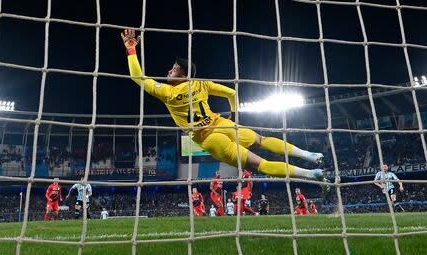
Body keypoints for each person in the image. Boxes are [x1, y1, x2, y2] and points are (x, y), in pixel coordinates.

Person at [120, 29, 325, 182]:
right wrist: (234, 116)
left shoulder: (167, 92)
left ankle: (310, 174)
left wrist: (131, 49)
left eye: (173, 70)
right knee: (261, 140)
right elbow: (232, 93)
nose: (168, 71)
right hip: (222, 124)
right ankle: (308, 155)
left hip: (209, 138)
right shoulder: (201, 84)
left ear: (182, 76)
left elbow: (137, 77)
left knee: (261, 164)